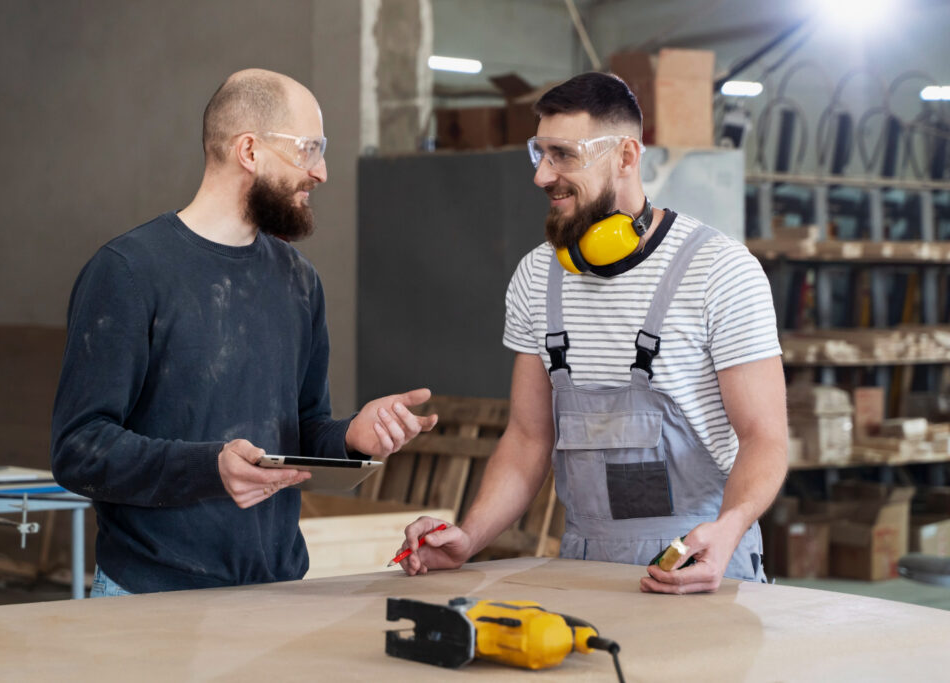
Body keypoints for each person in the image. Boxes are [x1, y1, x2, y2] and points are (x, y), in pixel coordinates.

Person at [51, 69, 438, 596]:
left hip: (277, 591)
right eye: (309, 149)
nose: (321, 171)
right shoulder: (128, 271)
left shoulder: (300, 281)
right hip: (151, 596)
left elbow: (303, 429)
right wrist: (208, 467)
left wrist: (350, 438)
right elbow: (80, 449)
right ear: (250, 150)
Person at [397, 72, 788, 594]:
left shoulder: (719, 270)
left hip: (704, 566)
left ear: (626, 157)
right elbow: (528, 439)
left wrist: (730, 529)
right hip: (584, 569)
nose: (541, 175)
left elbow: (764, 438)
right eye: (539, 153)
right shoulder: (538, 277)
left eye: (562, 154)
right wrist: (469, 537)